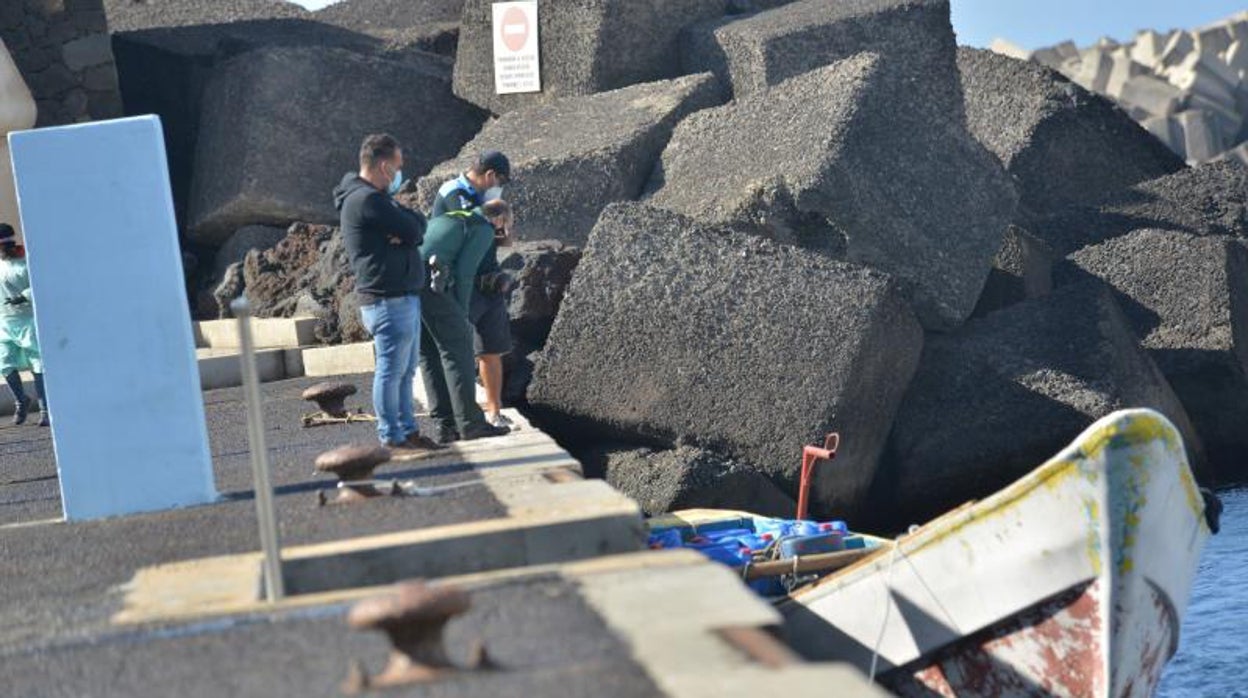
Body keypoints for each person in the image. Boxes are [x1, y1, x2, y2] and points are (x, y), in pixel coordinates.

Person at [334, 134, 442, 454]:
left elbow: (417, 225)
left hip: (399, 297)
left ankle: (408, 431)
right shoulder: (367, 200)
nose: (399, 174)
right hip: (386, 299)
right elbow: (412, 229)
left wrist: (406, 232)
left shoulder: (376, 198)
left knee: (405, 372)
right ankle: (392, 435)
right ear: (383, 166)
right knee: (391, 371)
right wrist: (405, 232)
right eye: (397, 168)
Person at [430, 151, 515, 428]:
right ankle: (459, 415)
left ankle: (494, 411)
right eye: (500, 180)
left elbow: (502, 240)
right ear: (490, 175)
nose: (500, 186)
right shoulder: (453, 191)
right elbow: (466, 236)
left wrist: (504, 222)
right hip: (460, 283)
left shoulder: (489, 198)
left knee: (491, 349)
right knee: (458, 350)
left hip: (489, 281)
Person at [418, 200, 515, 443]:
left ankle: (445, 425)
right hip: (431, 281)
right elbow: (465, 273)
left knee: (428, 350)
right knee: (458, 348)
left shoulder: (452, 217)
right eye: (506, 224)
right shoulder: (481, 227)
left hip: (408, 275)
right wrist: (461, 311)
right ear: (499, 219)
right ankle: (471, 423)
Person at [0, 223, 47, 427]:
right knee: (4, 362)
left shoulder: (26, 262)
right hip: (5, 321)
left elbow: (38, 284)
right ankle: (21, 400)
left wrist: (23, 296)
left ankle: (45, 408)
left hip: (27, 319)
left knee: (37, 362)